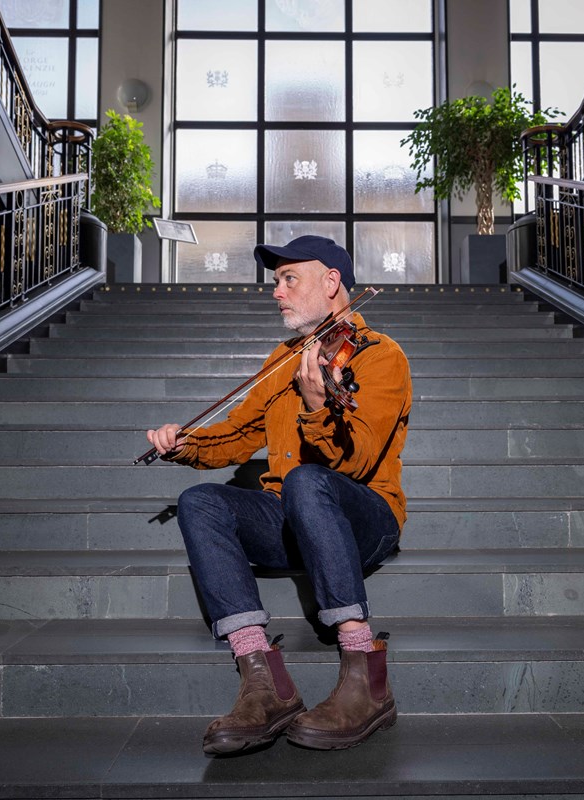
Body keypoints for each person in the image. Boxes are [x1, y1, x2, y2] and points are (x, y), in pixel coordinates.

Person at [145, 235, 412, 755]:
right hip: (292, 515)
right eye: (276, 282)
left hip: (364, 516)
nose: (278, 292)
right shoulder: (283, 360)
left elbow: (355, 462)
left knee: (305, 480)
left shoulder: (382, 357)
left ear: (332, 282)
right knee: (201, 501)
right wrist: (183, 443)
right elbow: (240, 434)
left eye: (290, 279)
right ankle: (265, 684)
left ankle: (366, 674)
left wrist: (317, 408)